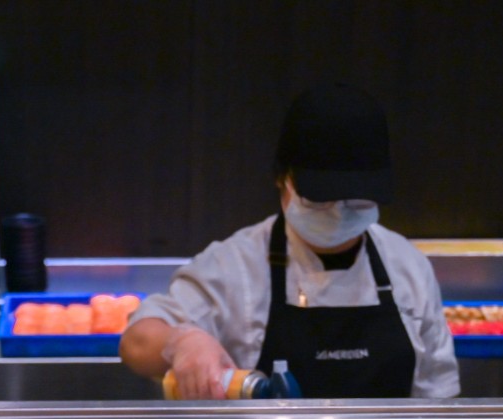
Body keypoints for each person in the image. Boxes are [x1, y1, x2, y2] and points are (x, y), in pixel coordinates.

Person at [120, 82, 460, 400]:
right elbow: (137, 343)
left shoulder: (408, 266)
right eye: (320, 200)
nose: (338, 214)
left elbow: (439, 401)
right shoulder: (234, 265)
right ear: (282, 179)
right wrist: (183, 341)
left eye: (357, 202)